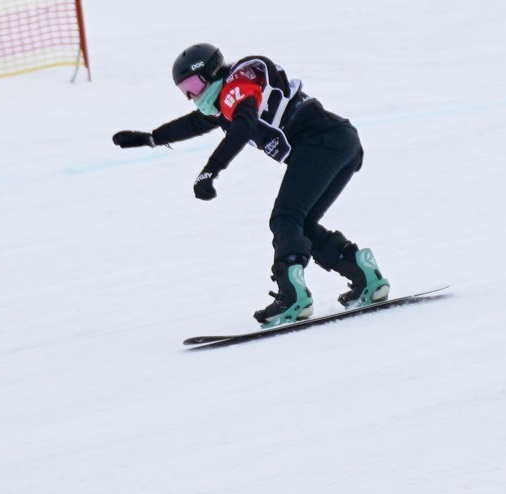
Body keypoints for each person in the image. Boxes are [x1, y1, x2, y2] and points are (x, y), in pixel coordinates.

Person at [112, 43, 390, 327]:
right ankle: (364, 273)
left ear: (211, 72)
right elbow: (195, 123)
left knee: (285, 218)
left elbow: (242, 125)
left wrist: (211, 170)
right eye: (185, 90)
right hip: (341, 142)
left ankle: (292, 297)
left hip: (322, 143)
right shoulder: (228, 97)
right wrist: (151, 138)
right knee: (300, 224)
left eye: (194, 85)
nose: (193, 96)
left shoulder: (236, 87)